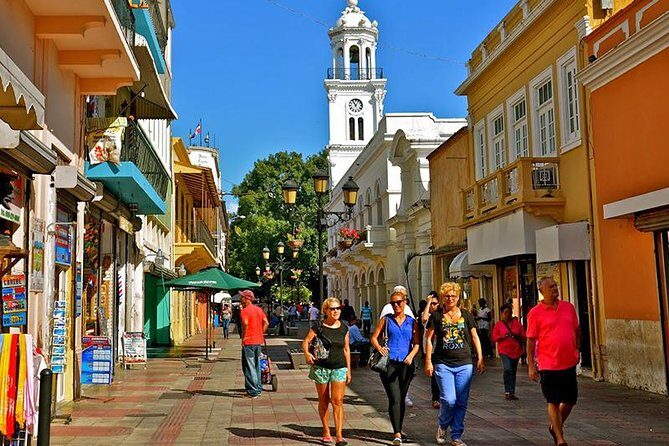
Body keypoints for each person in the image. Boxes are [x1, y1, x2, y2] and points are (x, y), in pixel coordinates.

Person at [424, 282, 485, 446]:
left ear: (458, 297)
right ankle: (443, 425)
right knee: (449, 399)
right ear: (443, 297)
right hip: (443, 363)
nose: (450, 299)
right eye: (447, 296)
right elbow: (428, 339)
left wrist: (480, 357)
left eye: (453, 296)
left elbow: (474, 336)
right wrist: (428, 361)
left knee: (461, 401)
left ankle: (456, 435)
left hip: (465, 363)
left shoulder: (466, 314)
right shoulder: (436, 316)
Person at [527, 277, 580, 446]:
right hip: (548, 363)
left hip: (569, 361)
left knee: (570, 400)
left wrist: (577, 349)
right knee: (553, 400)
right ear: (541, 291)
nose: (555, 288)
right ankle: (560, 438)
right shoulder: (535, 313)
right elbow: (530, 340)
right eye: (550, 287)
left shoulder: (568, 307)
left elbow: (576, 330)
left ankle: (555, 426)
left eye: (555, 285)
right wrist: (531, 365)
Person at [370, 291, 420, 445]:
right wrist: (380, 348)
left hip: (406, 364)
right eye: (393, 303)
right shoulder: (386, 320)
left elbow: (417, 343)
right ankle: (397, 433)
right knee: (395, 398)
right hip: (389, 363)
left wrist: (411, 356)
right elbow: (374, 337)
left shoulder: (412, 322)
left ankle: (399, 428)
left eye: (399, 302)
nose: (396, 305)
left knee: (401, 398)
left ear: (405, 302)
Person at [302, 297, 351, 446]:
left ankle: (339, 436)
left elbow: (346, 349)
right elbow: (306, 341)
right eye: (332, 309)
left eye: (338, 308)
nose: (336, 311)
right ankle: (326, 431)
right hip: (321, 367)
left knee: (337, 401)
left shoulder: (344, 327)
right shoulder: (319, 326)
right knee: (323, 400)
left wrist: (348, 370)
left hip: (339, 367)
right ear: (326, 311)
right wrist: (307, 353)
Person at [492, 304, 526, 400]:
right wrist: (502, 336)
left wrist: (517, 335)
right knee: (508, 369)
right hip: (504, 351)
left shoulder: (517, 324)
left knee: (513, 372)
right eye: (505, 312)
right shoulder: (498, 325)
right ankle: (507, 390)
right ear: (502, 314)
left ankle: (511, 392)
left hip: (516, 351)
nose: (508, 314)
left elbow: (524, 336)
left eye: (509, 312)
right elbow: (494, 338)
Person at [239, 290, 269, 398]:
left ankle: (253, 391)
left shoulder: (245, 311)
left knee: (249, 366)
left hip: (249, 341)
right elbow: (266, 323)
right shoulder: (258, 309)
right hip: (258, 341)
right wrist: (260, 333)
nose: (240, 299)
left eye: (242, 297)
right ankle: (258, 388)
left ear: (246, 299)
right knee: (256, 365)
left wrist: (244, 337)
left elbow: (246, 323)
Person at [421, 291, 441, 409]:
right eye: (431, 303)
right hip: (430, 349)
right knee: (434, 374)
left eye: (435, 303)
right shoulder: (427, 314)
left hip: (441, 347)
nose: (433, 306)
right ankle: (435, 398)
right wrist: (428, 303)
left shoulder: (441, 315)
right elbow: (424, 319)